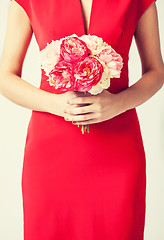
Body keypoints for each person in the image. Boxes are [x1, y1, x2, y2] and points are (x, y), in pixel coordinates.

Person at [0, 0, 164, 239]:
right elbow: (5, 76)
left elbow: (156, 71)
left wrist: (119, 103)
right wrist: (55, 104)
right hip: (51, 153)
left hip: (118, 150)